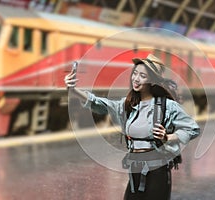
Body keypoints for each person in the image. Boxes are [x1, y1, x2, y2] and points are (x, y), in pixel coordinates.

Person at [64, 54, 200, 200]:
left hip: (158, 170)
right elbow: (100, 103)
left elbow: (193, 129)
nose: (136, 79)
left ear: (152, 81)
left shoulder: (168, 106)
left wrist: (168, 137)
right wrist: (73, 91)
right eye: (135, 73)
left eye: (142, 76)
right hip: (135, 168)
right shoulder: (128, 104)